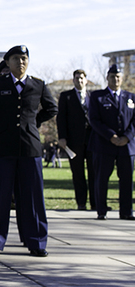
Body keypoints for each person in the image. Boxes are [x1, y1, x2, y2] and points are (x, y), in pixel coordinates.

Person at [0, 45, 57, 257]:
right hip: (2, 149)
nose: (21, 62)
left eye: (24, 58)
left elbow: (51, 108)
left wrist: (33, 124)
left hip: (30, 149)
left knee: (32, 198)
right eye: (16, 59)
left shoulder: (37, 84)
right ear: (8, 62)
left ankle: (37, 242)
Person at [88, 64, 135, 221]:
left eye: (118, 77)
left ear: (122, 79)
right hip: (104, 144)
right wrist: (111, 136)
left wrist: (127, 137)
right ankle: (101, 210)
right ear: (107, 78)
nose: (115, 79)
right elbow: (94, 120)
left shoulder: (130, 97)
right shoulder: (97, 97)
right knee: (101, 178)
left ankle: (126, 211)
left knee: (127, 179)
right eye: (112, 76)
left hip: (126, 146)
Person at [57, 69, 95, 210]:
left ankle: (95, 203)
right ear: (73, 80)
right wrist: (62, 137)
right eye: (77, 78)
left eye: (82, 78)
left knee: (94, 172)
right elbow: (61, 118)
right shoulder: (66, 96)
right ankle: (81, 203)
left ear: (86, 80)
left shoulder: (94, 96)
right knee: (78, 173)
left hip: (92, 141)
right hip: (74, 142)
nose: (79, 80)